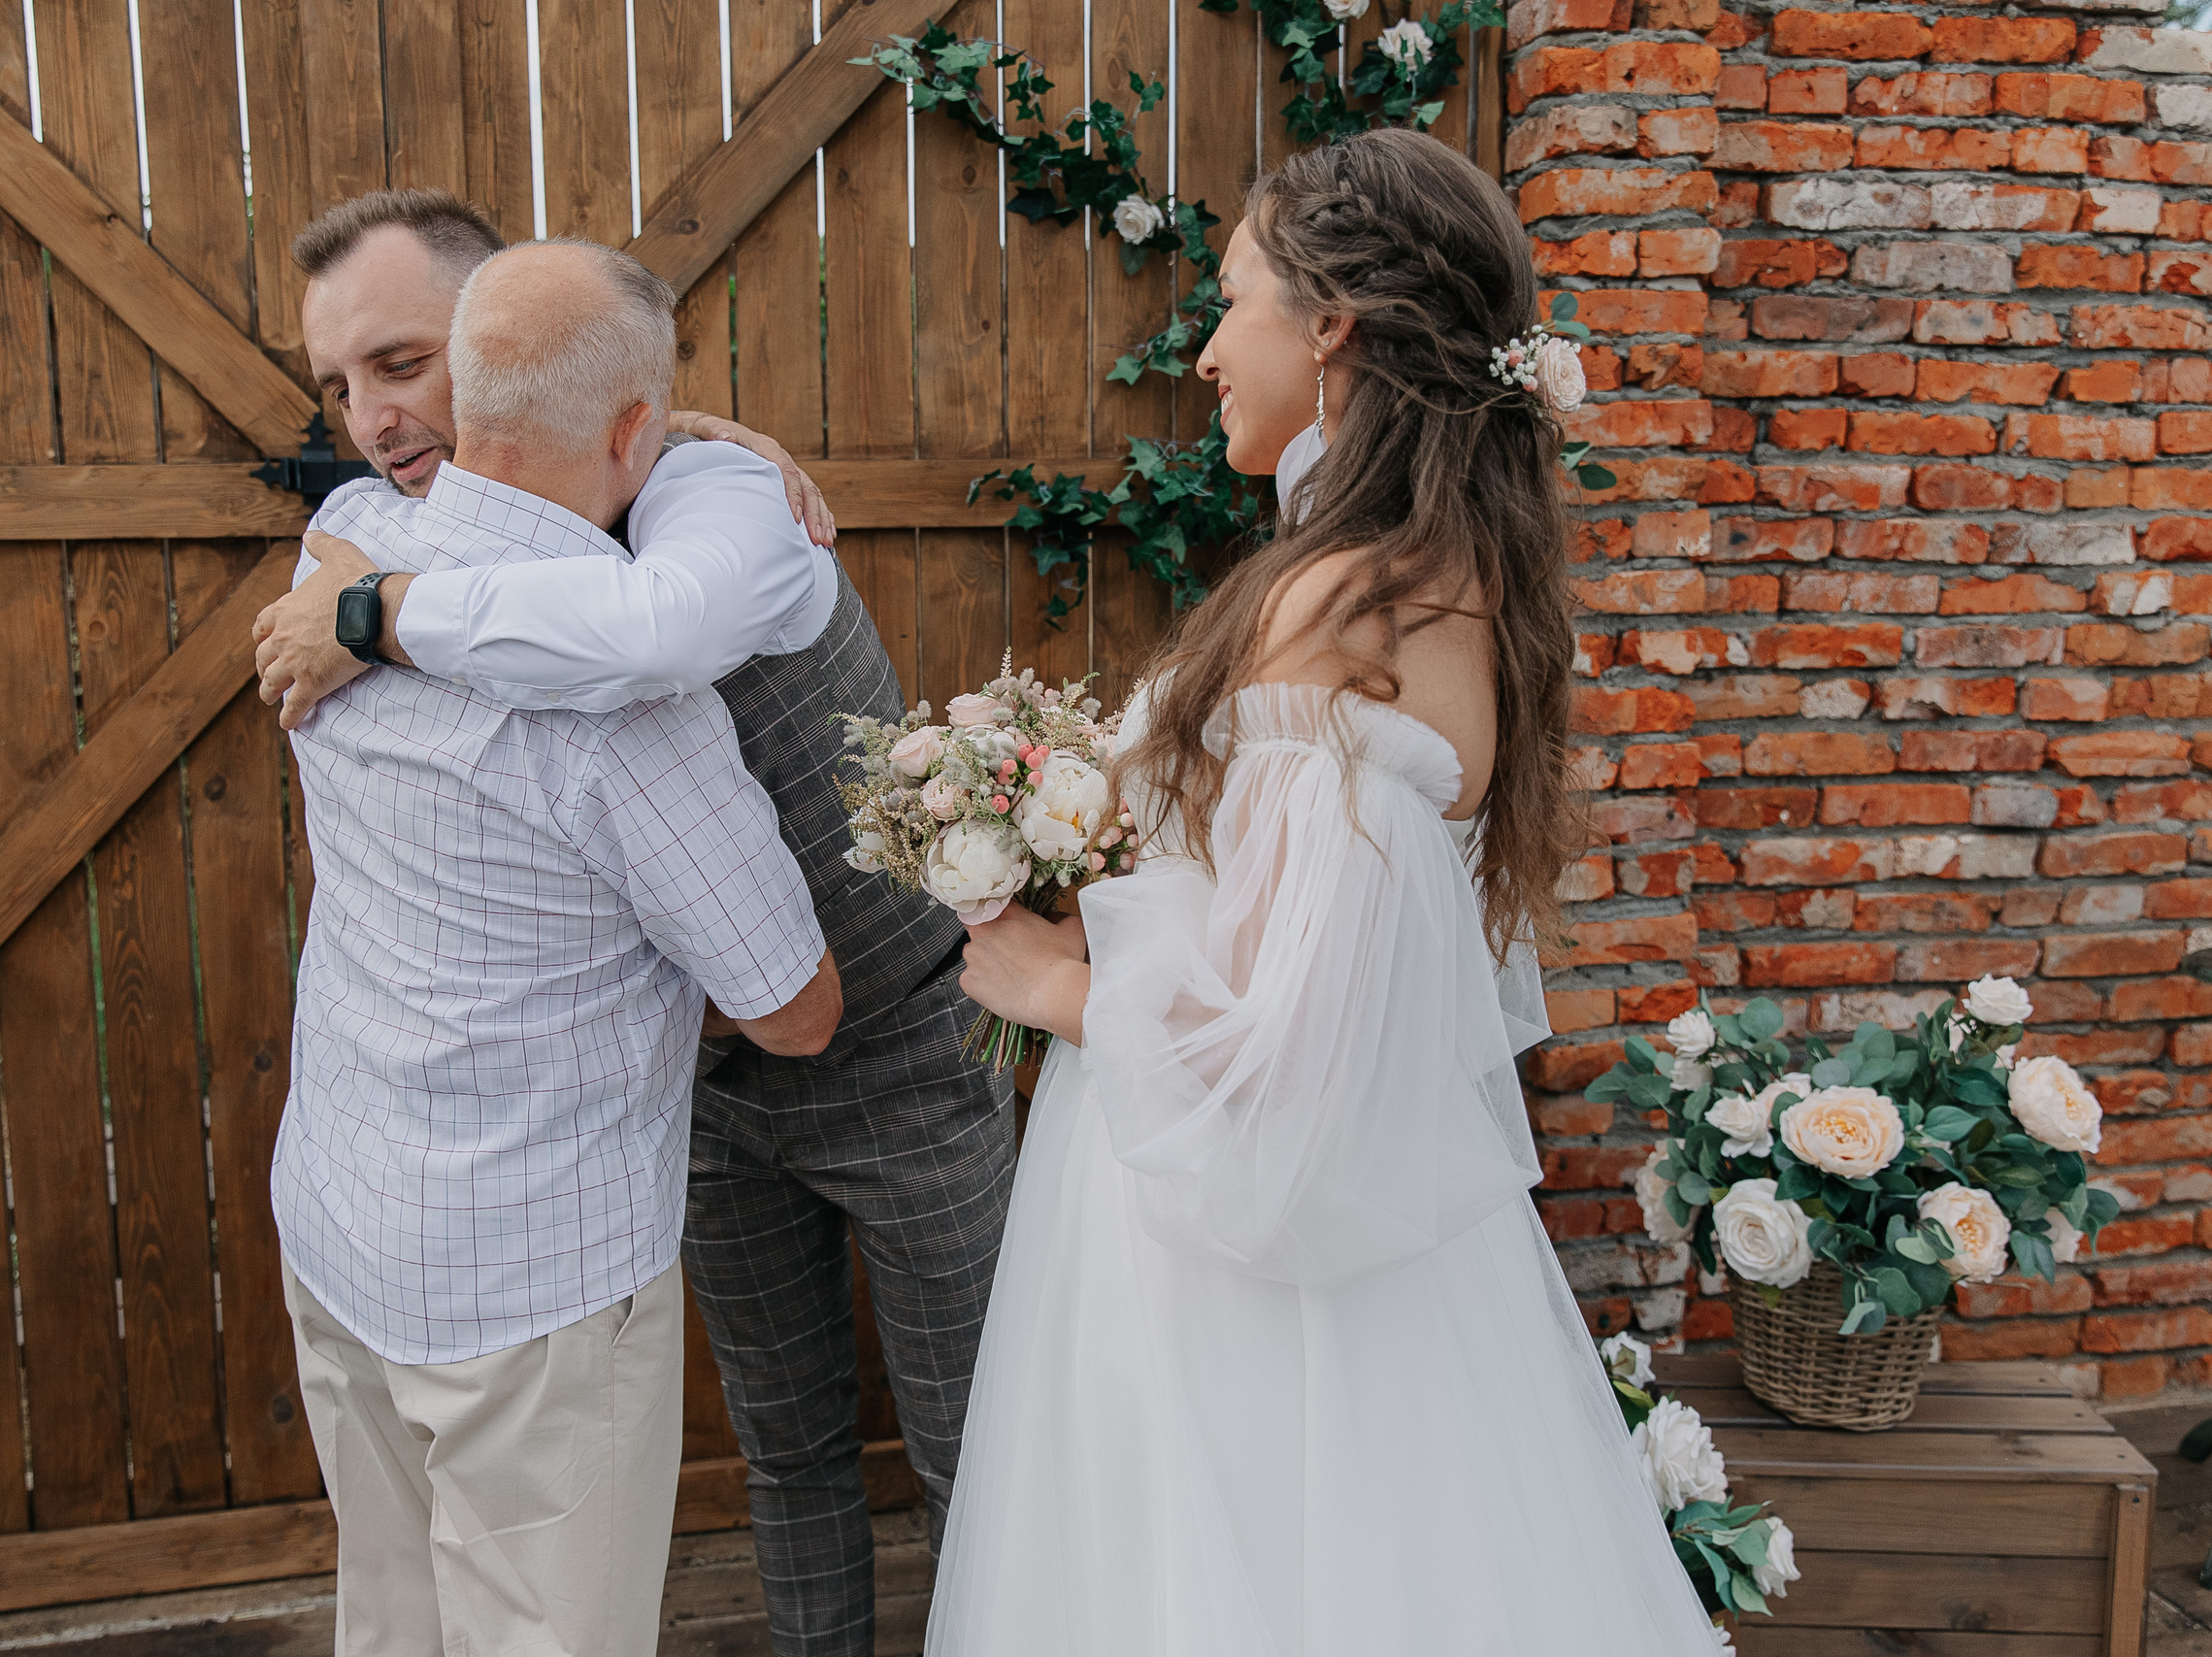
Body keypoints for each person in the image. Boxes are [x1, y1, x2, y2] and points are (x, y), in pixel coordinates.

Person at [928, 129, 1723, 1653]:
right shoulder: (1442, 576)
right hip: (1323, 1254)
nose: (1208, 352)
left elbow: (1289, 1054)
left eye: (1234, 303)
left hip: (1224, 1263)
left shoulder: (1342, 599)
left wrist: (1053, 985)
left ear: (1334, 325)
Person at [257, 189, 1016, 1657]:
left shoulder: (705, 505)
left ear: (502, 343)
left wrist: (377, 618)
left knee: (977, 1450)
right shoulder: (359, 532)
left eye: (405, 365)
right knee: (787, 1452)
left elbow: (646, 638)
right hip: (694, 1092)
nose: (374, 421)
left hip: (899, 1052)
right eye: (340, 385)